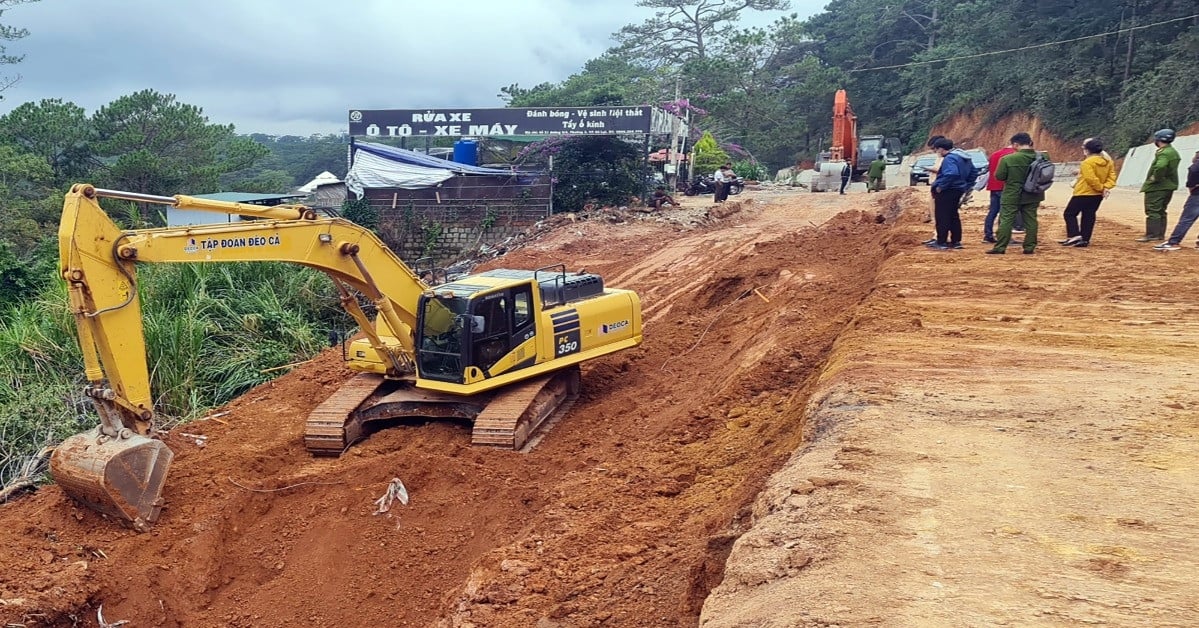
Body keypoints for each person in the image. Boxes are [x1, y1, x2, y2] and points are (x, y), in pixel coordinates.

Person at [988, 132, 1047, 255]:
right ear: (1030, 143)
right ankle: (1029, 247)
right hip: (1034, 193)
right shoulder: (1043, 157)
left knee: (1006, 220)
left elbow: (999, 176)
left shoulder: (1008, 159)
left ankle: (1000, 247)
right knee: (1031, 220)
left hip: (1012, 193)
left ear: (1015, 144)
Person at [1060, 138, 1116, 247]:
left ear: (1087, 150)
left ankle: (1074, 235)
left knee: (1069, 213)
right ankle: (1085, 239)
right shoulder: (1108, 162)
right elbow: (1112, 176)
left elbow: (1091, 179)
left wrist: (1100, 188)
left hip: (1083, 192)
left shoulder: (1087, 162)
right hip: (1097, 195)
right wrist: (1105, 187)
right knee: (1089, 215)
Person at [927, 138, 972, 249]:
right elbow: (973, 173)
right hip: (958, 190)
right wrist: (966, 186)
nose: (937, 152)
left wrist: (941, 186)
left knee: (942, 216)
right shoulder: (963, 157)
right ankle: (956, 241)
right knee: (953, 216)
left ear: (941, 149)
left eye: (937, 150)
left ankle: (941, 242)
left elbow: (951, 173)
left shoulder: (949, 159)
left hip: (947, 191)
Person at [1137, 128, 1181, 242]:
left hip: (1158, 187)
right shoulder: (1172, 151)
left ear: (1159, 140)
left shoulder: (1165, 153)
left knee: (1153, 210)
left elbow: (1161, 166)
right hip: (1168, 186)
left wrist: (1155, 178)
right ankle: (1159, 234)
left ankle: (1152, 235)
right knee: (1161, 210)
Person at [1153, 151, 1199, 250]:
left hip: (1197, 196)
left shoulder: (1196, 166)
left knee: (1186, 219)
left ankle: (1173, 242)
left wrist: (1192, 188)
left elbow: (1192, 178)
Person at [982, 142, 1016, 243]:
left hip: (993, 187)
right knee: (1005, 213)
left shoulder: (994, 154)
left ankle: (988, 235)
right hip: (1005, 187)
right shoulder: (1014, 154)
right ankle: (1004, 236)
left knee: (993, 211)